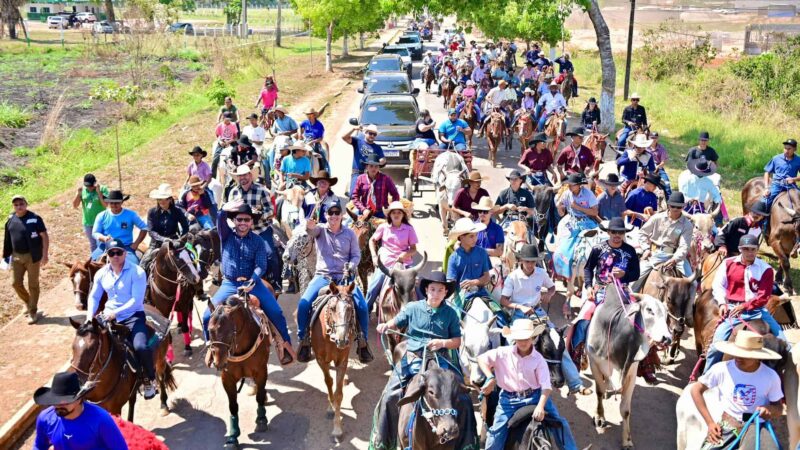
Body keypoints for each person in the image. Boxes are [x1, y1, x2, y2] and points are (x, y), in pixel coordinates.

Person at [370, 272, 477, 450]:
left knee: (464, 398)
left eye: (440, 290)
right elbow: (397, 321)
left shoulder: (450, 314)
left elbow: (457, 341)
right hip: (413, 357)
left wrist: (442, 342)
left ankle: (468, 444)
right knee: (389, 395)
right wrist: (386, 325)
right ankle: (381, 442)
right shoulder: (413, 308)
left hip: (441, 360)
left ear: (445, 293)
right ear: (426, 290)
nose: (436, 293)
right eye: (432, 289)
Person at [202, 201, 294, 365]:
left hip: (253, 283)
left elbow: (261, 265)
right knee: (208, 315)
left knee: (276, 312)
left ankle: (285, 346)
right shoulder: (226, 235)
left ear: (252, 222)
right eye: (239, 219)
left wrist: (252, 280)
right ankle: (211, 346)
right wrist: (226, 208)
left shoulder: (258, 241)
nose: (243, 223)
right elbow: (220, 219)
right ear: (234, 221)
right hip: (229, 284)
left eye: (246, 220)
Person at [498, 244, 590, 396]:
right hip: (519, 315)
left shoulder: (541, 273)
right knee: (512, 345)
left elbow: (552, 287)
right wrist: (519, 307)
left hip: (538, 312)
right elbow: (503, 300)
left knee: (557, 341)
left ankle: (575, 383)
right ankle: (510, 382)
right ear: (521, 261)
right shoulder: (513, 277)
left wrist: (549, 295)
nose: (530, 264)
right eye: (527, 261)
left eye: (533, 261)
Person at [479, 319, 580, 450]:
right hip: (509, 401)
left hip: (535, 396)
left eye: (527, 338)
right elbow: (481, 359)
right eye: (520, 339)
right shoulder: (502, 353)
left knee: (561, 423)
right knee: (496, 432)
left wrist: (540, 407)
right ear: (514, 338)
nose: (523, 342)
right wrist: (490, 377)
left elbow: (546, 387)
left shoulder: (539, 359)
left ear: (533, 338)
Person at [296, 198, 373, 363]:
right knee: (303, 304)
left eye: (337, 212)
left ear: (342, 215)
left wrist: (351, 266)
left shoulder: (350, 234)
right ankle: (304, 340)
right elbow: (311, 229)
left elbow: (356, 255)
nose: (334, 216)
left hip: (345, 277)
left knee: (362, 306)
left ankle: (363, 341)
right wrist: (310, 223)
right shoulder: (320, 230)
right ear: (326, 215)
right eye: (330, 213)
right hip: (323, 277)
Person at [569, 217, 642, 378]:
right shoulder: (598, 248)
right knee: (584, 316)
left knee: (639, 317)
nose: (617, 235)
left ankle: (645, 360)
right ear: (608, 232)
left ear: (624, 233)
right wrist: (588, 286)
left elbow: (636, 273)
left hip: (622, 289)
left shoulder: (630, 251)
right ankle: (577, 352)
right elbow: (588, 269)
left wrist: (625, 275)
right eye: (614, 232)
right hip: (600, 289)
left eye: (620, 232)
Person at [704, 234, 787, 372]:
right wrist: (722, 304)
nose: (750, 252)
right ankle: (706, 378)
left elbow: (763, 296)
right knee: (715, 347)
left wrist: (744, 306)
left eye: (753, 249)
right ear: (740, 249)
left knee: (785, 344)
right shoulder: (728, 263)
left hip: (758, 311)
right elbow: (718, 285)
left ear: (757, 250)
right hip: (732, 308)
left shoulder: (765, 269)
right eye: (746, 249)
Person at [87, 239, 158, 397]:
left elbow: (136, 300)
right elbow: (94, 297)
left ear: (125, 254)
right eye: (112, 253)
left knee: (140, 347)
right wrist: (88, 317)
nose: (116, 256)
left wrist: (116, 313)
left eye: (119, 252)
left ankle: (149, 379)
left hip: (132, 317)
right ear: (107, 255)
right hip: (107, 317)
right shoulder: (101, 273)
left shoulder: (137, 272)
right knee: (88, 343)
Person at [691, 330, 783, 449]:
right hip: (729, 424)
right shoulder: (721, 369)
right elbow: (696, 390)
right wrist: (710, 422)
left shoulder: (771, 376)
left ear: (757, 357)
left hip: (757, 425)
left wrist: (770, 409)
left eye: (744, 355)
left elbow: (779, 408)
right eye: (737, 353)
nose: (738, 358)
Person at [33, 372, 127, 450]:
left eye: (65, 403)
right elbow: (39, 446)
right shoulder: (44, 418)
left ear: (79, 399)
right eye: (55, 402)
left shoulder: (101, 420)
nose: (59, 406)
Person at [225, 164, 281, 293]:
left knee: (270, 254)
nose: (243, 178)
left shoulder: (262, 190)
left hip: (260, 229)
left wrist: (258, 216)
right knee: (228, 252)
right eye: (240, 176)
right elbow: (228, 211)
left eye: (245, 175)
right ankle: (226, 278)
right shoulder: (233, 192)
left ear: (250, 175)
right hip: (240, 231)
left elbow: (271, 210)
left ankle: (276, 283)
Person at [632, 192, 694, 292]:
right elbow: (642, 233)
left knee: (692, 283)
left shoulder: (687, 225)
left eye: (679, 207)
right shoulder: (657, 218)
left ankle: (691, 306)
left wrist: (675, 259)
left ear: (683, 207)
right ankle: (628, 302)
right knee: (634, 280)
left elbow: (684, 246)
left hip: (676, 256)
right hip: (655, 253)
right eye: (673, 206)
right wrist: (646, 249)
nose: (675, 209)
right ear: (669, 205)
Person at [365, 201, 418, 310]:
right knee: (373, 288)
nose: (396, 215)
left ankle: (425, 313)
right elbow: (372, 240)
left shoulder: (409, 229)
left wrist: (406, 254)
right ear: (389, 215)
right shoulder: (383, 227)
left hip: (404, 264)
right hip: (386, 265)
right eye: (393, 212)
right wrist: (374, 256)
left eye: (399, 212)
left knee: (418, 286)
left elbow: (414, 249)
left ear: (403, 215)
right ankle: (365, 312)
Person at [4, 195, 48, 324]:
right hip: (16, 256)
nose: (19, 207)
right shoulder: (11, 219)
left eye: (21, 204)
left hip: (32, 256)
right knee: (15, 283)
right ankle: (29, 302)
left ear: (26, 204)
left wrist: (45, 255)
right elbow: (7, 238)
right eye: (16, 205)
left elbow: (44, 236)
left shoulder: (35, 219)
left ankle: (33, 312)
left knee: (33, 284)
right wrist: (6, 257)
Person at [553, 172, 599, 280]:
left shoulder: (588, 194)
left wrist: (578, 207)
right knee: (564, 248)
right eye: (569, 184)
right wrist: (560, 208)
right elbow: (561, 213)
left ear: (579, 185)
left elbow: (595, 212)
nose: (569, 186)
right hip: (572, 221)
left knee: (597, 243)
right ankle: (565, 273)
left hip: (587, 221)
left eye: (572, 184)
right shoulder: (566, 194)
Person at [140, 184, 190, 274]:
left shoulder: (177, 211)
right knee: (143, 265)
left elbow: (185, 227)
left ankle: (195, 284)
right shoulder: (152, 212)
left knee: (190, 260)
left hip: (174, 242)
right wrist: (163, 239)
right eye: (159, 199)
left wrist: (181, 240)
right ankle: (145, 285)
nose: (161, 202)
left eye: (164, 199)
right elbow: (151, 231)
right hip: (156, 244)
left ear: (170, 199)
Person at [91, 190, 147, 265]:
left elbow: (144, 228)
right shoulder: (101, 215)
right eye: (111, 203)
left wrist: (136, 244)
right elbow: (95, 233)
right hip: (105, 246)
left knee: (135, 265)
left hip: (125, 247)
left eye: (117, 203)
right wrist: (104, 238)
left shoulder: (131, 214)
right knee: (90, 263)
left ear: (122, 202)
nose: (114, 205)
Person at [447, 218, 492, 306]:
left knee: (500, 314)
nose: (475, 239)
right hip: (461, 296)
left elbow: (487, 277)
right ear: (461, 237)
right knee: (453, 317)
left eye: (476, 235)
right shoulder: (453, 258)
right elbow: (451, 282)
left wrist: (475, 282)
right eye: (471, 236)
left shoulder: (482, 253)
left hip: (481, 293)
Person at [351, 154, 400, 220]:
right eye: (371, 166)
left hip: (381, 212)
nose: (374, 168)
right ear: (366, 167)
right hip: (365, 212)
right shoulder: (360, 179)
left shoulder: (386, 179)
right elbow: (355, 196)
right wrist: (363, 209)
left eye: (376, 166)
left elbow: (395, 194)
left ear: (379, 167)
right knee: (350, 225)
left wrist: (391, 208)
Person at [342, 124, 386, 195]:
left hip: (372, 174)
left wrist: (379, 162)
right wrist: (353, 129)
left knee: (378, 193)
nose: (372, 136)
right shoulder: (357, 141)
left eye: (374, 134)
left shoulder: (377, 147)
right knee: (353, 195)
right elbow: (344, 137)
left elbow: (383, 159)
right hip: (357, 173)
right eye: (370, 133)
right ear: (365, 133)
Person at [72, 173, 107, 254]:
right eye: (87, 186)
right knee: (93, 244)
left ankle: (103, 260)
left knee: (101, 243)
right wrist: (78, 195)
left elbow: (106, 205)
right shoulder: (82, 191)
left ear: (95, 183)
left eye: (91, 186)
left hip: (101, 222)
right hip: (88, 222)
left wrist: (99, 194)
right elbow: (75, 205)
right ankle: (95, 262)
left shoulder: (102, 189)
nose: (89, 188)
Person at [762, 138, 800, 209]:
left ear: (795, 149)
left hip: (791, 186)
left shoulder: (798, 160)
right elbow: (767, 172)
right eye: (785, 148)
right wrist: (766, 188)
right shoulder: (776, 158)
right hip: (777, 185)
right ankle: (763, 220)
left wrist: (794, 179)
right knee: (765, 202)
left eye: (789, 149)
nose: (786, 151)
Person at [212, 112, 238, 179]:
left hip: (231, 141)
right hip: (222, 141)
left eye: (229, 119)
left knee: (237, 155)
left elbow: (236, 137)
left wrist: (230, 141)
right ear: (223, 118)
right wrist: (220, 141)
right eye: (226, 119)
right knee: (215, 159)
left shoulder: (233, 125)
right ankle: (213, 177)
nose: (227, 121)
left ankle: (237, 173)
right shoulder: (220, 126)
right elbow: (217, 135)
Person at [647, 132, 671, 197]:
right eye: (652, 138)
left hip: (658, 167)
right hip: (647, 167)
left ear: (657, 139)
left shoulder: (661, 148)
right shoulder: (645, 147)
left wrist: (657, 167)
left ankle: (670, 201)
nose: (653, 139)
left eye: (655, 138)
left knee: (667, 184)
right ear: (649, 138)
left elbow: (663, 161)